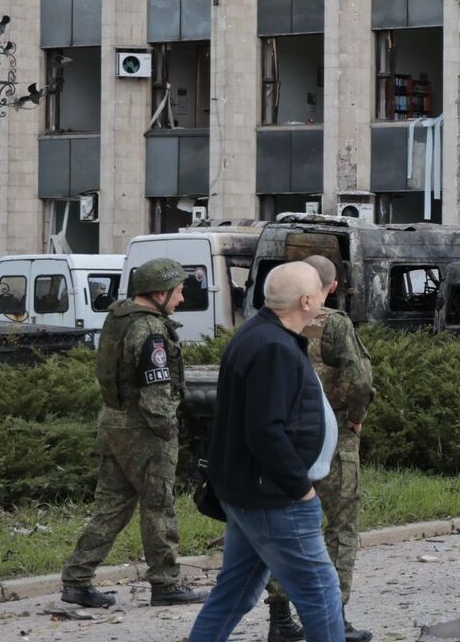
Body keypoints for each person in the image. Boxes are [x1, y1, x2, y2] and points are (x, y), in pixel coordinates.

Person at [187, 263, 344, 642]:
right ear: (307, 300)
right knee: (321, 593)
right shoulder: (274, 347)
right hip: (274, 497)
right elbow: (265, 431)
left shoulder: (255, 334)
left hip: (245, 492)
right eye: (322, 293)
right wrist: (301, 489)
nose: (326, 297)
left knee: (235, 591)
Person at [60, 259, 210, 609]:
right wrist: (168, 431)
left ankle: (77, 580)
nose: (181, 299)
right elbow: (155, 392)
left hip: (114, 423)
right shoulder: (150, 330)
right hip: (144, 430)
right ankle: (166, 583)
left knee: (110, 508)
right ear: (160, 293)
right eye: (178, 292)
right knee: (159, 506)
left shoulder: (119, 318)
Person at [266, 256, 376, 642]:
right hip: (333, 439)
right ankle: (335, 616)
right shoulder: (335, 325)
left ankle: (279, 618)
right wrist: (355, 415)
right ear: (330, 287)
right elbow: (360, 379)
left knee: (284, 527)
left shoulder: (269, 323)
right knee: (341, 526)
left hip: (281, 441)